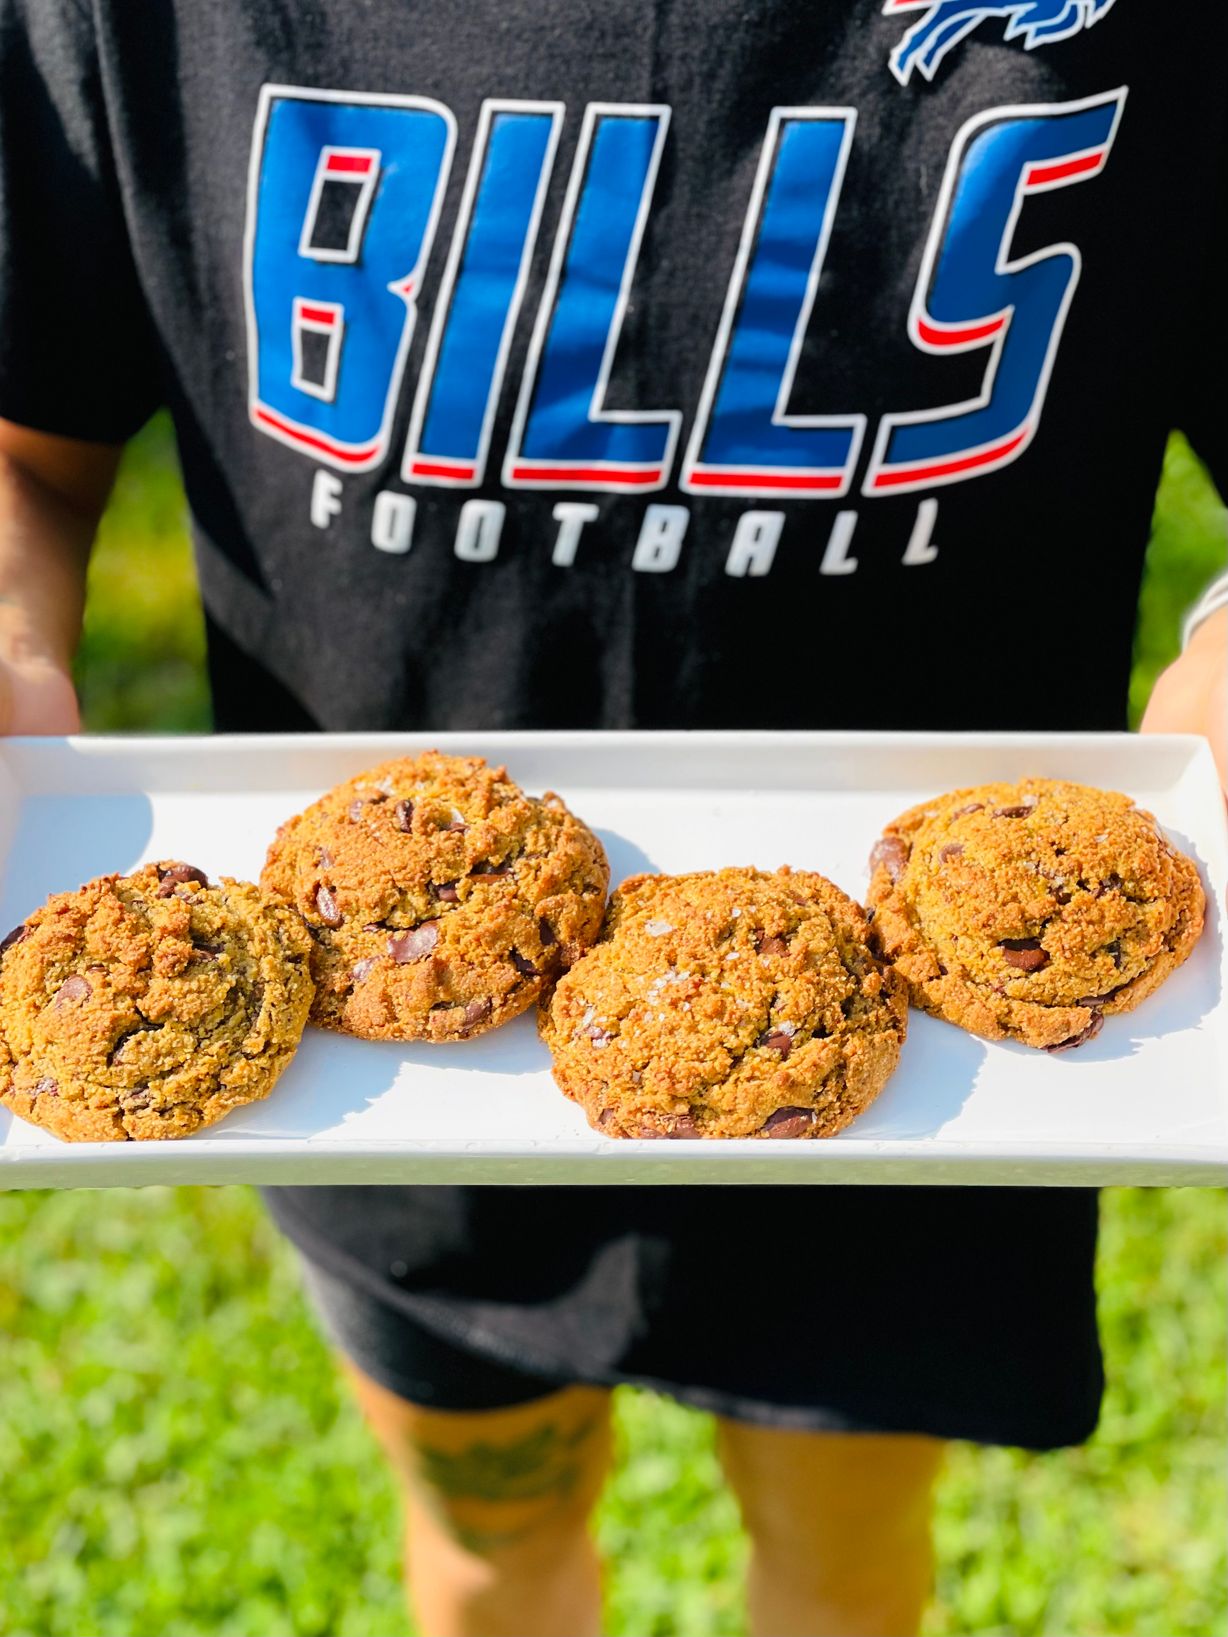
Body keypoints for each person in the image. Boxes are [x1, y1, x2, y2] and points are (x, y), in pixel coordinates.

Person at [0, 3, 1224, 1633]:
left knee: (846, 1555)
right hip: (390, 1084)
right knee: (491, 1537)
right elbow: (30, 441)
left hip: (936, 1093)